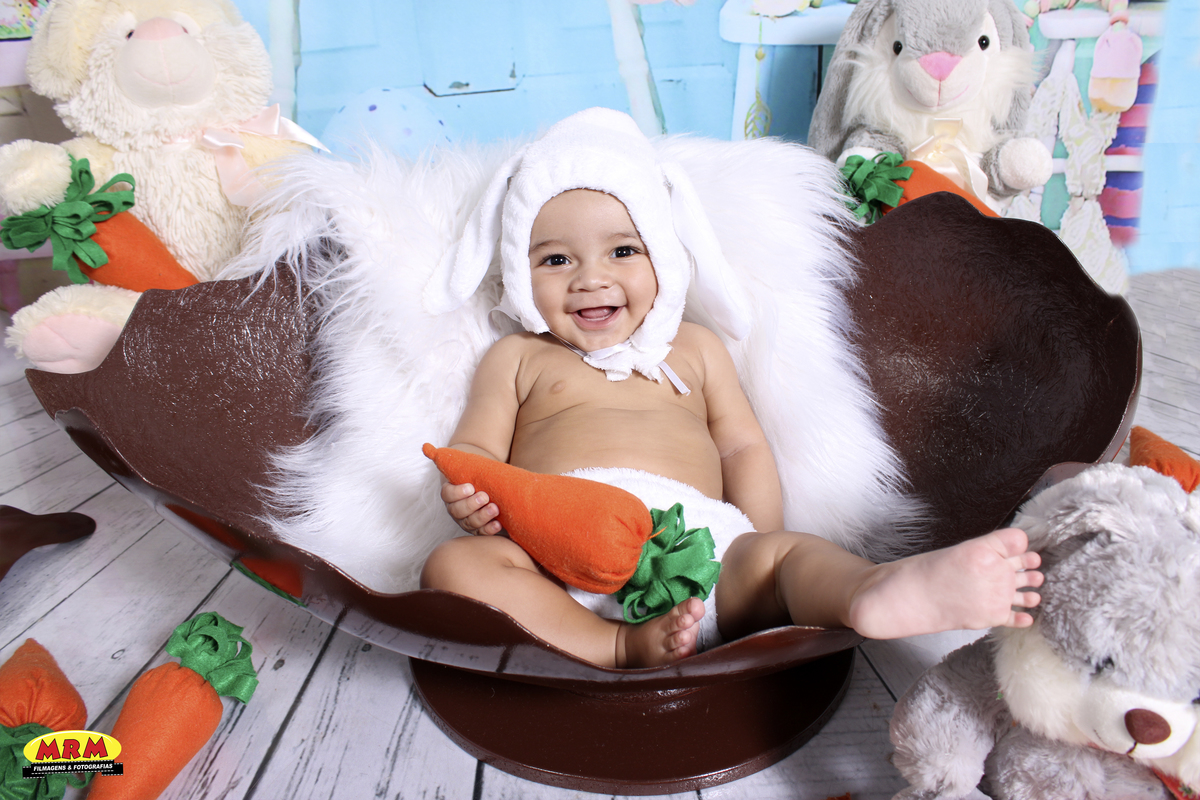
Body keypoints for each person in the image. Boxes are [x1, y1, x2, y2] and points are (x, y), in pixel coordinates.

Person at [420, 108, 1042, 669]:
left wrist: (755, 538)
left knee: (789, 558)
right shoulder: (518, 357)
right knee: (452, 566)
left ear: (664, 256)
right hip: (557, 548)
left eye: (622, 251)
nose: (590, 279)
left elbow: (743, 447)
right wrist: (471, 496)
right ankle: (611, 644)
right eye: (556, 260)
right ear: (518, 272)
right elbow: (474, 449)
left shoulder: (694, 349)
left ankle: (870, 592)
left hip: (699, 542)